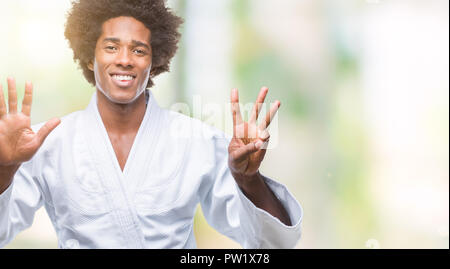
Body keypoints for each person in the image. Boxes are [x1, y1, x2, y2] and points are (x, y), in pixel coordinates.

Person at [0, 0, 303, 249]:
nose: (125, 60)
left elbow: (273, 244)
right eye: (111, 47)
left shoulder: (196, 140)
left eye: (139, 50)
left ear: (155, 61)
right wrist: (5, 168)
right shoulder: (49, 143)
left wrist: (249, 180)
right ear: (90, 58)